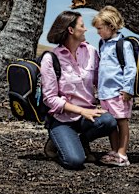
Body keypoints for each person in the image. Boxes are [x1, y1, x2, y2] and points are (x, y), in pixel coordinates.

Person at [40, 11, 118, 170]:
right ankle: (55, 141)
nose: (86, 29)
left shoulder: (91, 52)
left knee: (109, 121)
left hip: (86, 118)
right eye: (82, 26)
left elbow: (100, 81)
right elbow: (49, 99)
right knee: (75, 161)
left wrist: (123, 90)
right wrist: (82, 111)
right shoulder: (51, 58)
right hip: (62, 119)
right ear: (71, 30)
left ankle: (81, 141)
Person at [92, 6, 136, 167]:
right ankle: (115, 151)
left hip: (118, 92)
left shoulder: (123, 45)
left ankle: (122, 154)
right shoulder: (102, 44)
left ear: (111, 26)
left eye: (99, 29)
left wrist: (127, 89)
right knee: (111, 123)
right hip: (105, 93)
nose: (98, 32)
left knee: (122, 122)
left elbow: (131, 68)